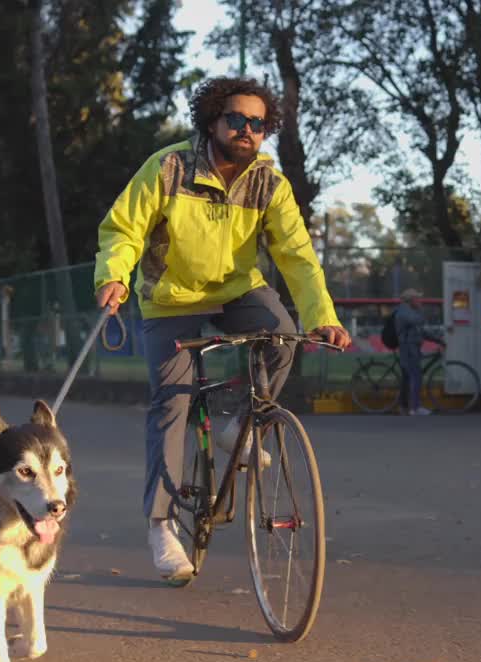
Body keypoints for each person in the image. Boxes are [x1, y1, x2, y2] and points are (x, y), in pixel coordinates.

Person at [93, 76, 351, 583]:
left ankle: (237, 427)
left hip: (236, 292)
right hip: (170, 299)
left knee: (280, 330)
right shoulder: (168, 168)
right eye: (236, 119)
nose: (247, 130)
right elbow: (123, 229)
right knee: (172, 399)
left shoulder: (269, 183)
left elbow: (297, 256)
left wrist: (324, 316)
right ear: (212, 120)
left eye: (258, 123)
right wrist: (114, 279)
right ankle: (161, 525)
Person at [393, 288, 438, 416]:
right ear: (411, 300)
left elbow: (421, 331)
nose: (420, 301)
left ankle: (403, 407)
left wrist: (438, 340)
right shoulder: (404, 312)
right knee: (415, 376)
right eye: (418, 299)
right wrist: (421, 310)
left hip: (412, 348)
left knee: (408, 379)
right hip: (408, 349)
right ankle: (415, 408)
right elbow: (418, 321)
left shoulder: (410, 311)